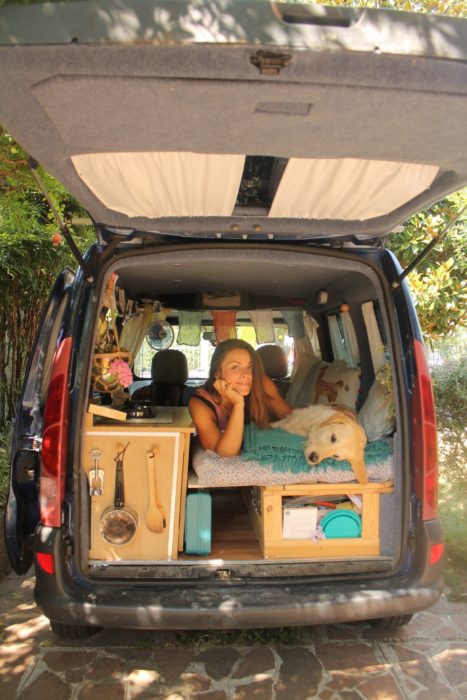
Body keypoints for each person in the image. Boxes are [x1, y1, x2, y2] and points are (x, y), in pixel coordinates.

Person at [189, 339, 291, 457]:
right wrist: (238, 404)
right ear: (218, 374)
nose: (246, 374)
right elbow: (226, 453)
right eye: (235, 367)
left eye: (250, 367)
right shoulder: (200, 405)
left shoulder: (261, 383)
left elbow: (293, 420)